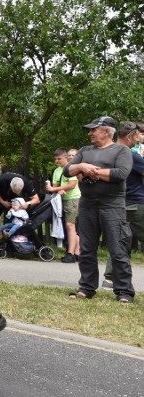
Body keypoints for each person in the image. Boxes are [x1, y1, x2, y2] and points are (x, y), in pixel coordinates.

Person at [64, 116, 134, 303]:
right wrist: (81, 166)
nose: (90, 133)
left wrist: (89, 172)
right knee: (86, 249)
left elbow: (120, 174)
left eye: (93, 130)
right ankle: (86, 288)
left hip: (112, 206)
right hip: (87, 205)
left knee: (118, 250)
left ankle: (124, 292)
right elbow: (67, 170)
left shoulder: (121, 150)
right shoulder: (84, 151)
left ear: (106, 131)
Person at [101, 121, 144, 288]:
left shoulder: (108, 153)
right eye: (137, 136)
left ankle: (110, 279)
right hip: (136, 203)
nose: (138, 140)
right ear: (129, 136)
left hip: (116, 203)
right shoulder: (131, 155)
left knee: (119, 241)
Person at [0, 172, 40, 253]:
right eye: (15, 191)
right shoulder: (2, 180)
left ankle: (6, 247)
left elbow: (36, 199)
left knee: (11, 224)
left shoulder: (27, 184)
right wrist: (2, 202)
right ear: (10, 185)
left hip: (15, 203)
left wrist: (27, 204)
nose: (17, 193)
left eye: (19, 191)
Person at [46, 148, 81, 263]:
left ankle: (71, 253)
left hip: (73, 199)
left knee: (70, 225)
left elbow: (72, 185)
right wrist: (55, 190)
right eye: (55, 159)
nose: (57, 161)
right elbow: (56, 186)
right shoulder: (57, 170)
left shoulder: (71, 168)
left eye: (59, 159)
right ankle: (76, 252)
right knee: (70, 226)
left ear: (66, 158)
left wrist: (55, 189)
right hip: (62, 200)